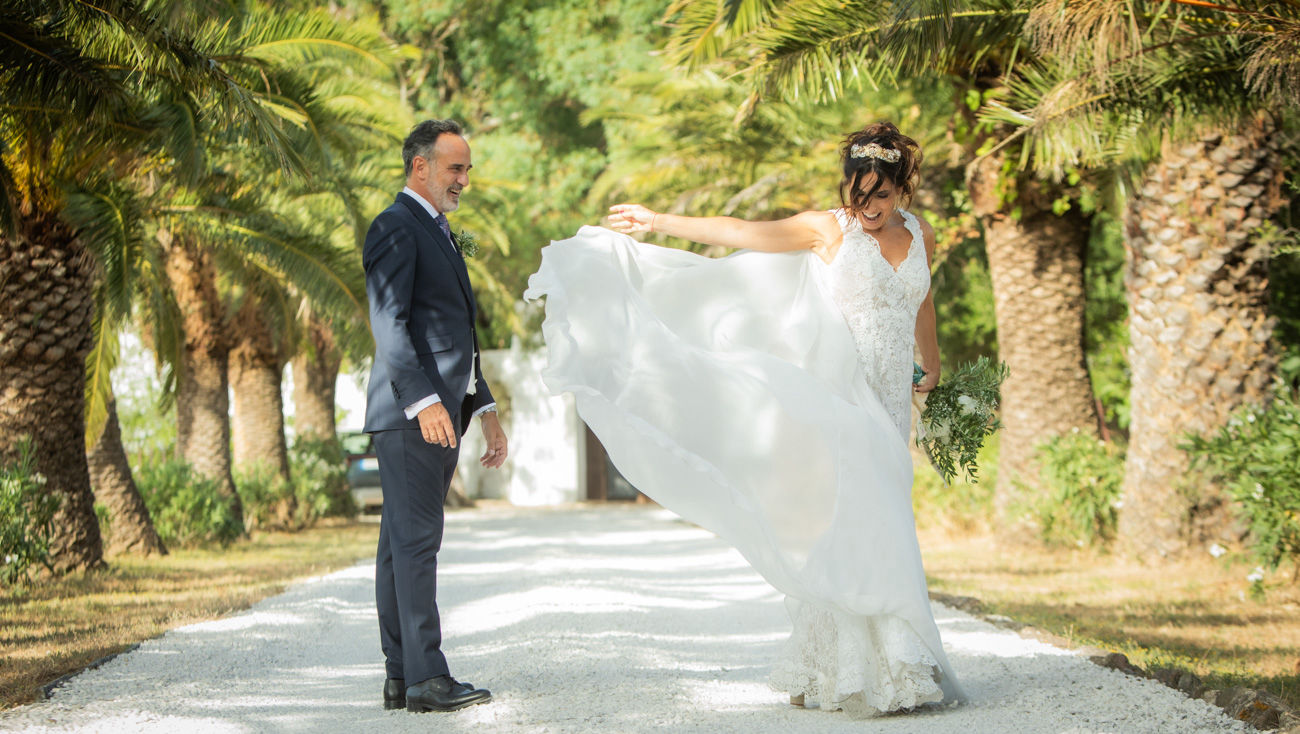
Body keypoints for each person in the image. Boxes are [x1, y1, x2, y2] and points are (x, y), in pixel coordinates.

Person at [525, 121, 965, 717]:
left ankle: (875, 661)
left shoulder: (921, 233)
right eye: (857, 195)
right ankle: (865, 667)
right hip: (838, 392)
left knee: (883, 507)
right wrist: (657, 221)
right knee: (861, 511)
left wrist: (931, 366)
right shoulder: (827, 229)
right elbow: (739, 231)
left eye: (879, 196)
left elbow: (923, 300)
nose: (866, 208)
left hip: (891, 396)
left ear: (901, 188)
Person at [363, 119, 509, 713]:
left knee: (400, 547)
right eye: (455, 168)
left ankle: (403, 676)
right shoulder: (395, 227)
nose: (464, 180)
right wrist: (423, 403)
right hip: (411, 416)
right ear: (419, 167)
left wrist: (487, 410)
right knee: (418, 545)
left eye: (467, 169)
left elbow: (456, 336)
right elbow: (389, 323)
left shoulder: (438, 230)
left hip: (437, 410)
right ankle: (426, 677)